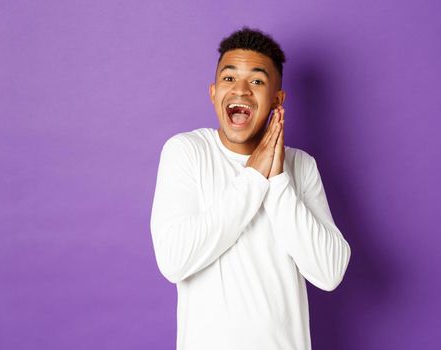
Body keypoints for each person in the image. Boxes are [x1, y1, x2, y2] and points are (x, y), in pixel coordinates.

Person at [150, 27, 351, 350]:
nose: (241, 90)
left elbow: (329, 272)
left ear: (277, 99)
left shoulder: (301, 166)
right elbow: (174, 261)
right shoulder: (186, 151)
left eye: (257, 81)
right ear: (214, 92)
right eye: (229, 79)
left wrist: (277, 179)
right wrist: (253, 178)